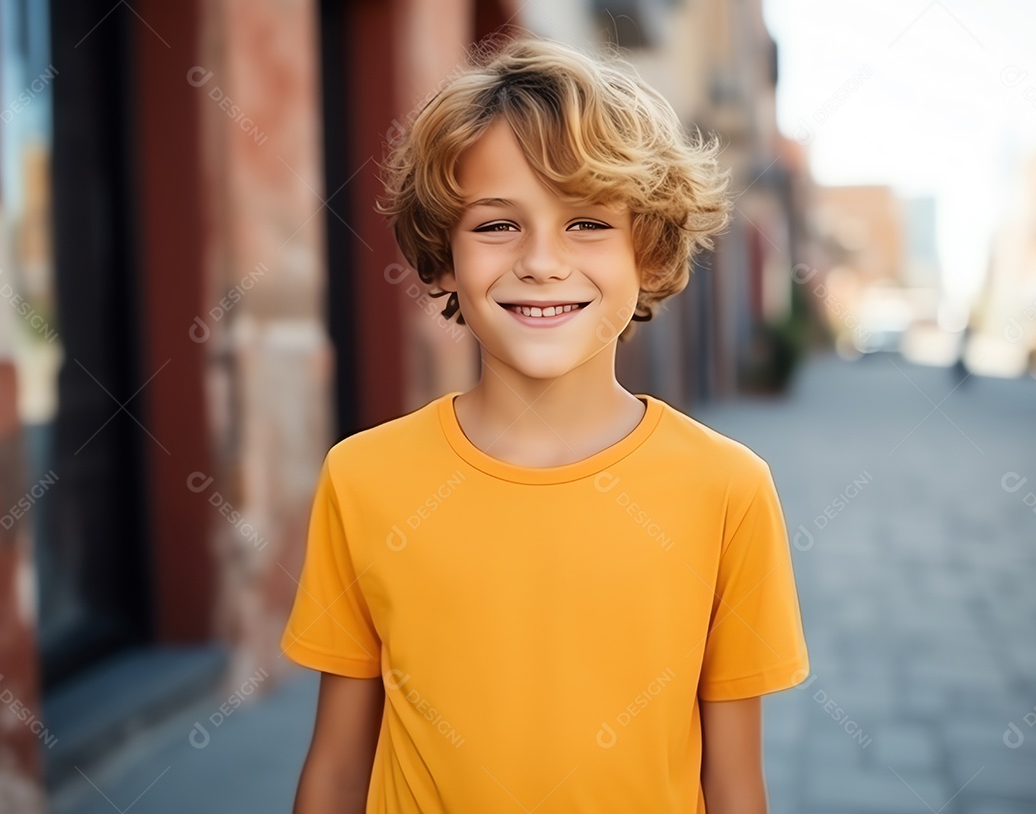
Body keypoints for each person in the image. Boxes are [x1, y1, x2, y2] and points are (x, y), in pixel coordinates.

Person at [281, 34, 809, 814]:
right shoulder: (363, 479)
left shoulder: (727, 489)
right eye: (497, 225)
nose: (540, 262)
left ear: (648, 253)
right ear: (443, 255)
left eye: (587, 223)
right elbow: (334, 771)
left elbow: (733, 784)